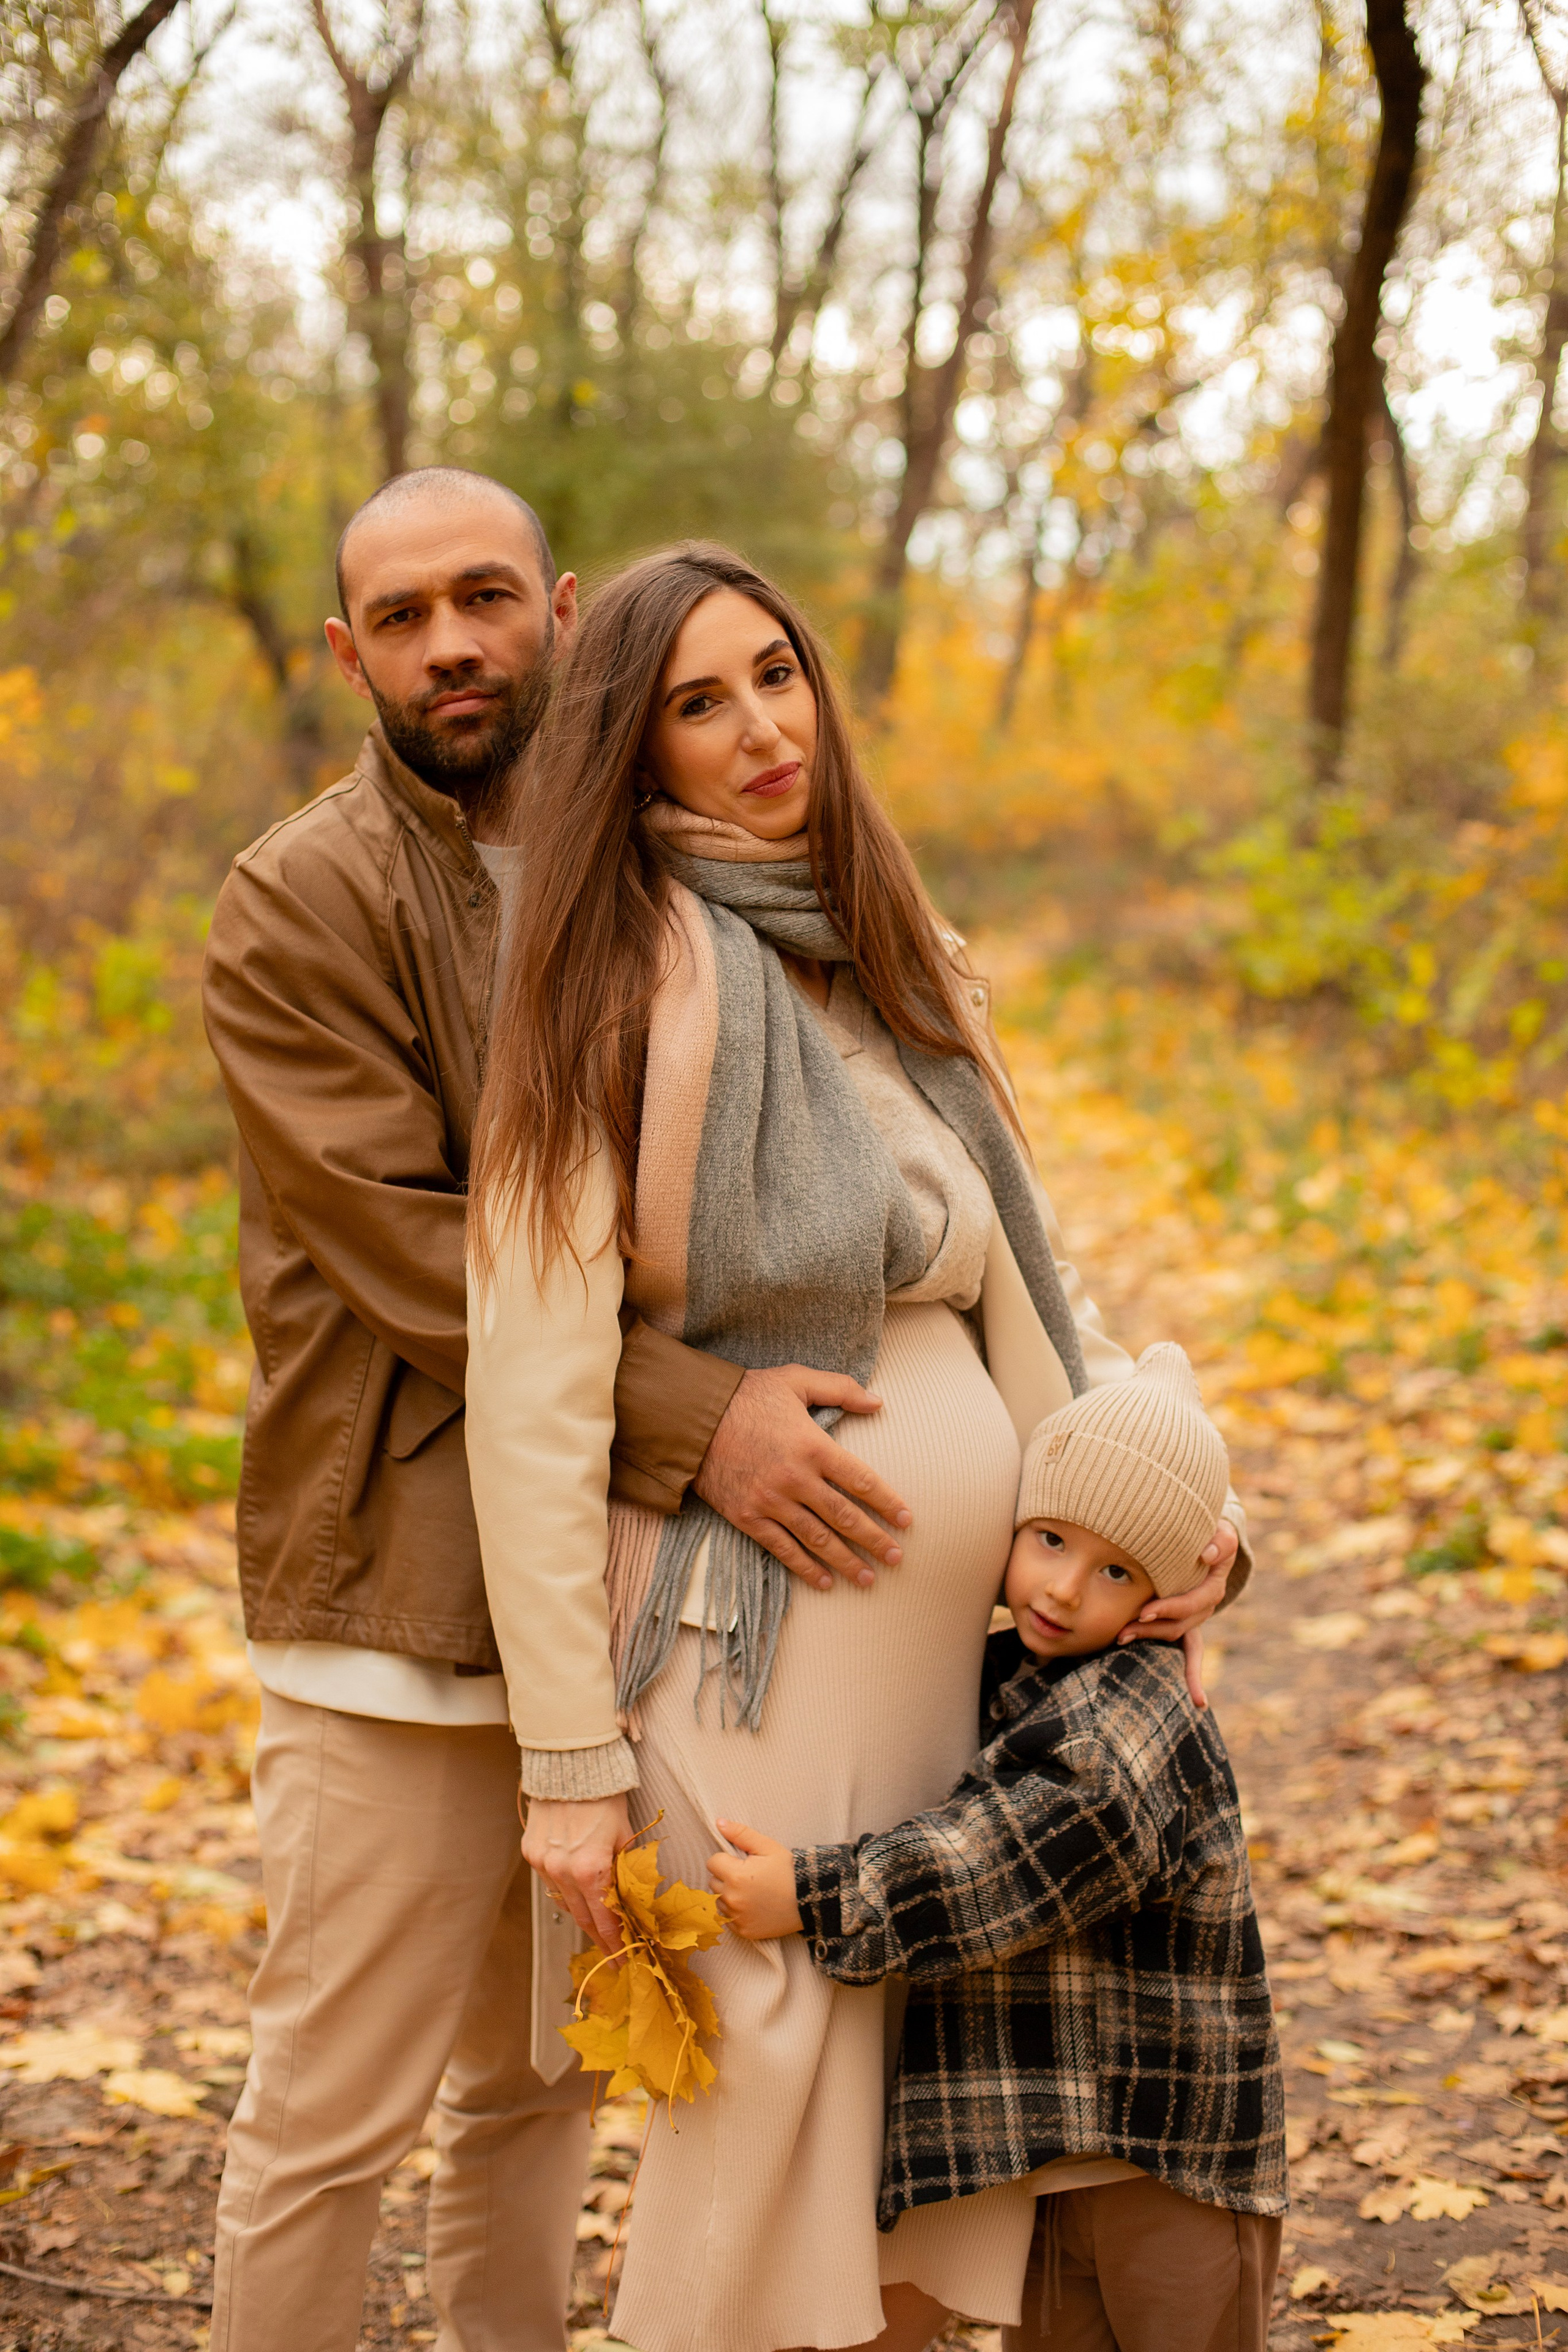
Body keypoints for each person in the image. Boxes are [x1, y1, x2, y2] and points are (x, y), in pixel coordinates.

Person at [464, 541, 1251, 2352]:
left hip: (951, 1657)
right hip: (752, 1637)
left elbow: (1031, 1295)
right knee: (773, 2081)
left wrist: (1173, 1534)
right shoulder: (604, 986)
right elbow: (531, 1393)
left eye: (779, 677)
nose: (759, 729)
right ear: (632, 750)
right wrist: (568, 1759)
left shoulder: (893, 955)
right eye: (698, 703)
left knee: (908, 2123)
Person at [200, 473, 918, 2352]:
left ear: (565, 613)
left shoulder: (654, 868)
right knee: (328, 2122)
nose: (453, 643)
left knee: (538, 2098)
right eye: (407, 614)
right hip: (396, 1607)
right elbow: (428, 1258)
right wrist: (709, 1421)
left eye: (488, 597)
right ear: (347, 652)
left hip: (606, 1612)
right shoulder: (303, 900)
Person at [712, 1344, 1287, 2352]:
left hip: (1167, 2152)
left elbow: (1009, 1858)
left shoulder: (1131, 1717)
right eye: (1051, 1538)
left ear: (1162, 1596)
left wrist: (819, 1897)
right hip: (1057, 2161)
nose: (1065, 1588)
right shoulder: (1008, 1671)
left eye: (1116, 1570)